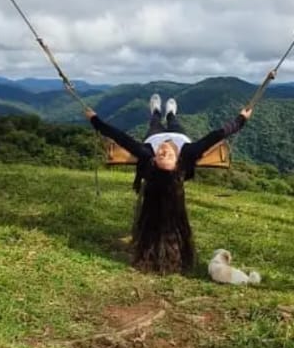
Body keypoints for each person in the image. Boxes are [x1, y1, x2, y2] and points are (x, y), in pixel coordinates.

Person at [85, 94, 252, 274]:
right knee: (175, 124)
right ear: (178, 161)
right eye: (168, 155)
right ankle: (171, 113)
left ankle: (156, 111)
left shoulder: (147, 152)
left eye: (160, 156)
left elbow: (120, 137)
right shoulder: (188, 152)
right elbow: (218, 134)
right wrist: (241, 119)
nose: (164, 151)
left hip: (154, 136)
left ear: (154, 160)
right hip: (179, 137)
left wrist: (94, 119)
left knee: (154, 123)